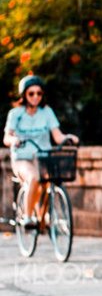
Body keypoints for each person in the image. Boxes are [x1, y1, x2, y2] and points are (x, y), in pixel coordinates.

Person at [3, 75, 79, 227]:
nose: (36, 97)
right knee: (33, 177)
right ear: (24, 94)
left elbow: (57, 136)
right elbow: (7, 138)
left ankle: (42, 217)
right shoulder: (15, 114)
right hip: (22, 158)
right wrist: (14, 140)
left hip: (43, 158)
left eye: (39, 93)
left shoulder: (46, 112)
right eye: (31, 93)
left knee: (47, 182)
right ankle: (27, 216)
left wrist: (68, 137)